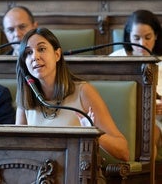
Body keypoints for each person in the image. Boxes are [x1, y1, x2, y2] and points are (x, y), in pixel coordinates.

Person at [15, 27, 129, 162]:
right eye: (28, 53)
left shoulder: (83, 92)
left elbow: (123, 152)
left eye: (42, 49)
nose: (35, 56)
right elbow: (18, 151)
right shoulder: (26, 99)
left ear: (57, 55)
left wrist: (93, 133)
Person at [109, 9, 162, 159]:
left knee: (148, 136)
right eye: (136, 38)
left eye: (148, 37)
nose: (142, 44)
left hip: (153, 123)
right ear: (128, 36)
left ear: (156, 36)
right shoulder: (114, 59)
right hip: (116, 120)